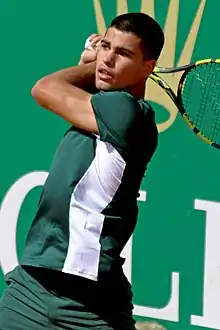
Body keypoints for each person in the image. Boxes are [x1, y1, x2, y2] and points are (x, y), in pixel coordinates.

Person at [0, 12, 164, 330]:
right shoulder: (99, 108)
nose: (109, 59)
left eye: (124, 53)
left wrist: (91, 64)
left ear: (148, 68)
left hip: (89, 307)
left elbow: (44, 88)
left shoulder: (128, 113)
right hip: (29, 290)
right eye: (106, 46)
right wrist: (97, 64)